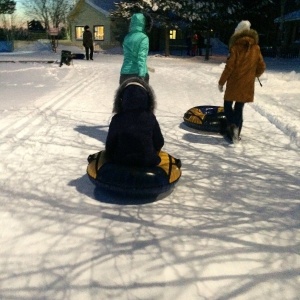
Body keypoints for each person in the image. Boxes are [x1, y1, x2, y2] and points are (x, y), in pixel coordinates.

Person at [218, 20, 266, 143]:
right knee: (239, 107)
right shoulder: (256, 47)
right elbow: (261, 66)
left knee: (227, 105)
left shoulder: (235, 47)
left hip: (234, 82)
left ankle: (232, 125)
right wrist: (253, 75)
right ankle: (236, 134)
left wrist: (221, 82)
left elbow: (229, 67)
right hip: (247, 84)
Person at [106, 77, 164, 167]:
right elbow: (159, 142)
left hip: (121, 162)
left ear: (121, 100)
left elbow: (110, 145)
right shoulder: (150, 118)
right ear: (147, 99)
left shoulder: (117, 119)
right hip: (147, 162)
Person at [119, 13, 152, 85]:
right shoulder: (143, 38)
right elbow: (141, 57)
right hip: (137, 74)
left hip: (125, 73)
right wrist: (142, 74)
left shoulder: (127, 37)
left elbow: (127, 55)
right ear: (144, 23)